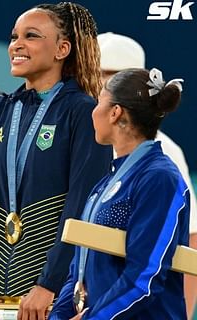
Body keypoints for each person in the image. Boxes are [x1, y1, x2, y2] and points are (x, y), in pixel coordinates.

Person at [0, 3, 113, 320]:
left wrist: (50, 284)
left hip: (49, 296)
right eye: (14, 37)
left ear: (62, 49)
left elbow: (82, 207)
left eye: (31, 36)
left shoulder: (82, 112)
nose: (16, 45)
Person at [49, 68, 189, 319]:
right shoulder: (106, 182)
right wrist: (58, 315)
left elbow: (146, 276)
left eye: (99, 100)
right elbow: (78, 267)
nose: (93, 110)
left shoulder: (159, 178)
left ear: (115, 112)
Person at [98, 31, 197, 318]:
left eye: (108, 77)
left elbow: (187, 245)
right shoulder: (87, 143)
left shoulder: (165, 157)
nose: (96, 87)